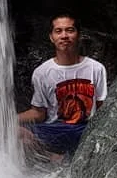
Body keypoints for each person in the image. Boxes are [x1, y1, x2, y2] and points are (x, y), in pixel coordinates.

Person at [18, 14, 107, 158]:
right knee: (16, 132)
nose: (64, 35)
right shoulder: (42, 72)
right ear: (51, 37)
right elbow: (38, 113)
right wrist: (7, 120)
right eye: (58, 31)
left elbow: (103, 108)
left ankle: (66, 158)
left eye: (70, 30)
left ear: (79, 35)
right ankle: (51, 157)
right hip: (55, 129)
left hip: (86, 129)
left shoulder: (96, 69)